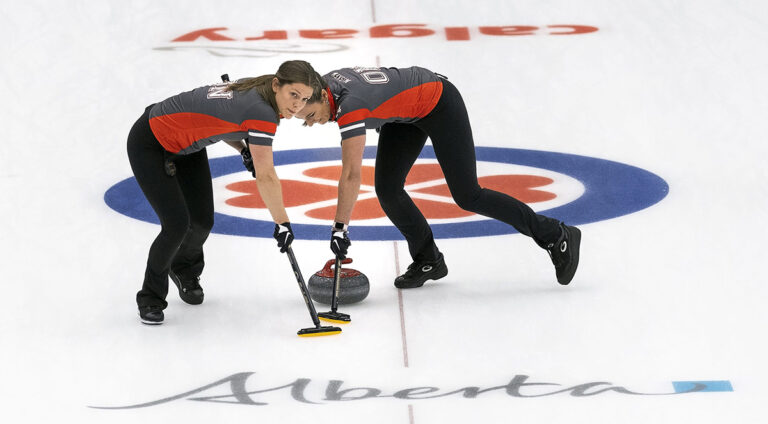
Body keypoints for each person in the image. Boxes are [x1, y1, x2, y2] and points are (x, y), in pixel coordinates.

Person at [295, 66, 581, 289]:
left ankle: (555, 234)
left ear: (320, 96)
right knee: (388, 189)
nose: (310, 123)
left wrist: (340, 228)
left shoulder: (350, 107)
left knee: (468, 195)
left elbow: (351, 175)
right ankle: (428, 259)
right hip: (405, 115)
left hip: (440, 103)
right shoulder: (322, 84)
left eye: (310, 115)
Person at [127, 60, 324, 325]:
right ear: (277, 85)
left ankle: (183, 269)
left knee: (202, 221)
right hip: (151, 141)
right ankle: (150, 298)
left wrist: (243, 149)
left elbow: (223, 125)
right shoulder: (262, 112)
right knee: (175, 225)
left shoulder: (260, 89)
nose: (298, 105)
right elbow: (266, 175)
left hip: (188, 144)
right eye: (294, 95)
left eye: (305, 99)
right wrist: (282, 223)